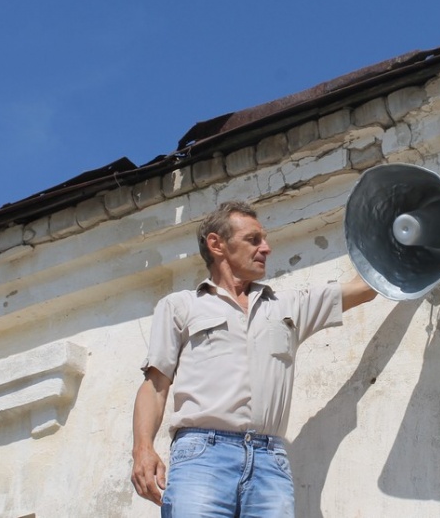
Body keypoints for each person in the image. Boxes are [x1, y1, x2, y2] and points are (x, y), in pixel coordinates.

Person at [131, 200, 377, 517]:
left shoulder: (289, 307)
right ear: (217, 244)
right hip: (203, 457)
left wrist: (412, 232)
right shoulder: (181, 306)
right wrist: (143, 448)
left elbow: (366, 287)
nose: (267, 248)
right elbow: (155, 384)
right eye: (254, 239)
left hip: (269, 461)